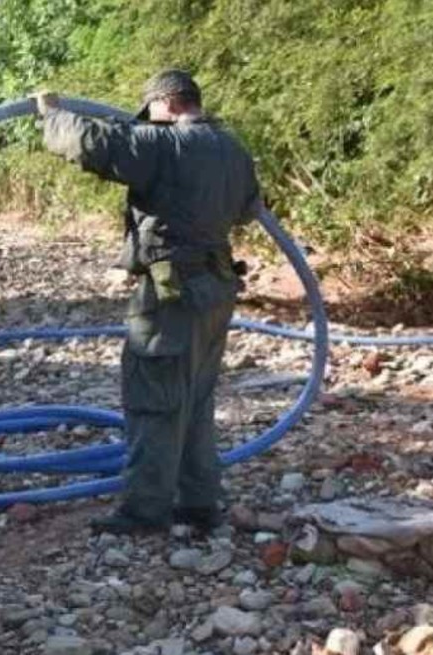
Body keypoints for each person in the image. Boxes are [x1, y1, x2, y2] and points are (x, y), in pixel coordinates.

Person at [35, 70, 262, 534]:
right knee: (194, 400)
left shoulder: (166, 144)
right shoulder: (234, 149)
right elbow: (247, 209)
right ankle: (199, 504)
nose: (149, 121)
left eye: (153, 112)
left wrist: (51, 115)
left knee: (154, 401)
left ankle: (145, 511)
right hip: (216, 290)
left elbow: (98, 143)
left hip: (172, 295)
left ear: (169, 103)